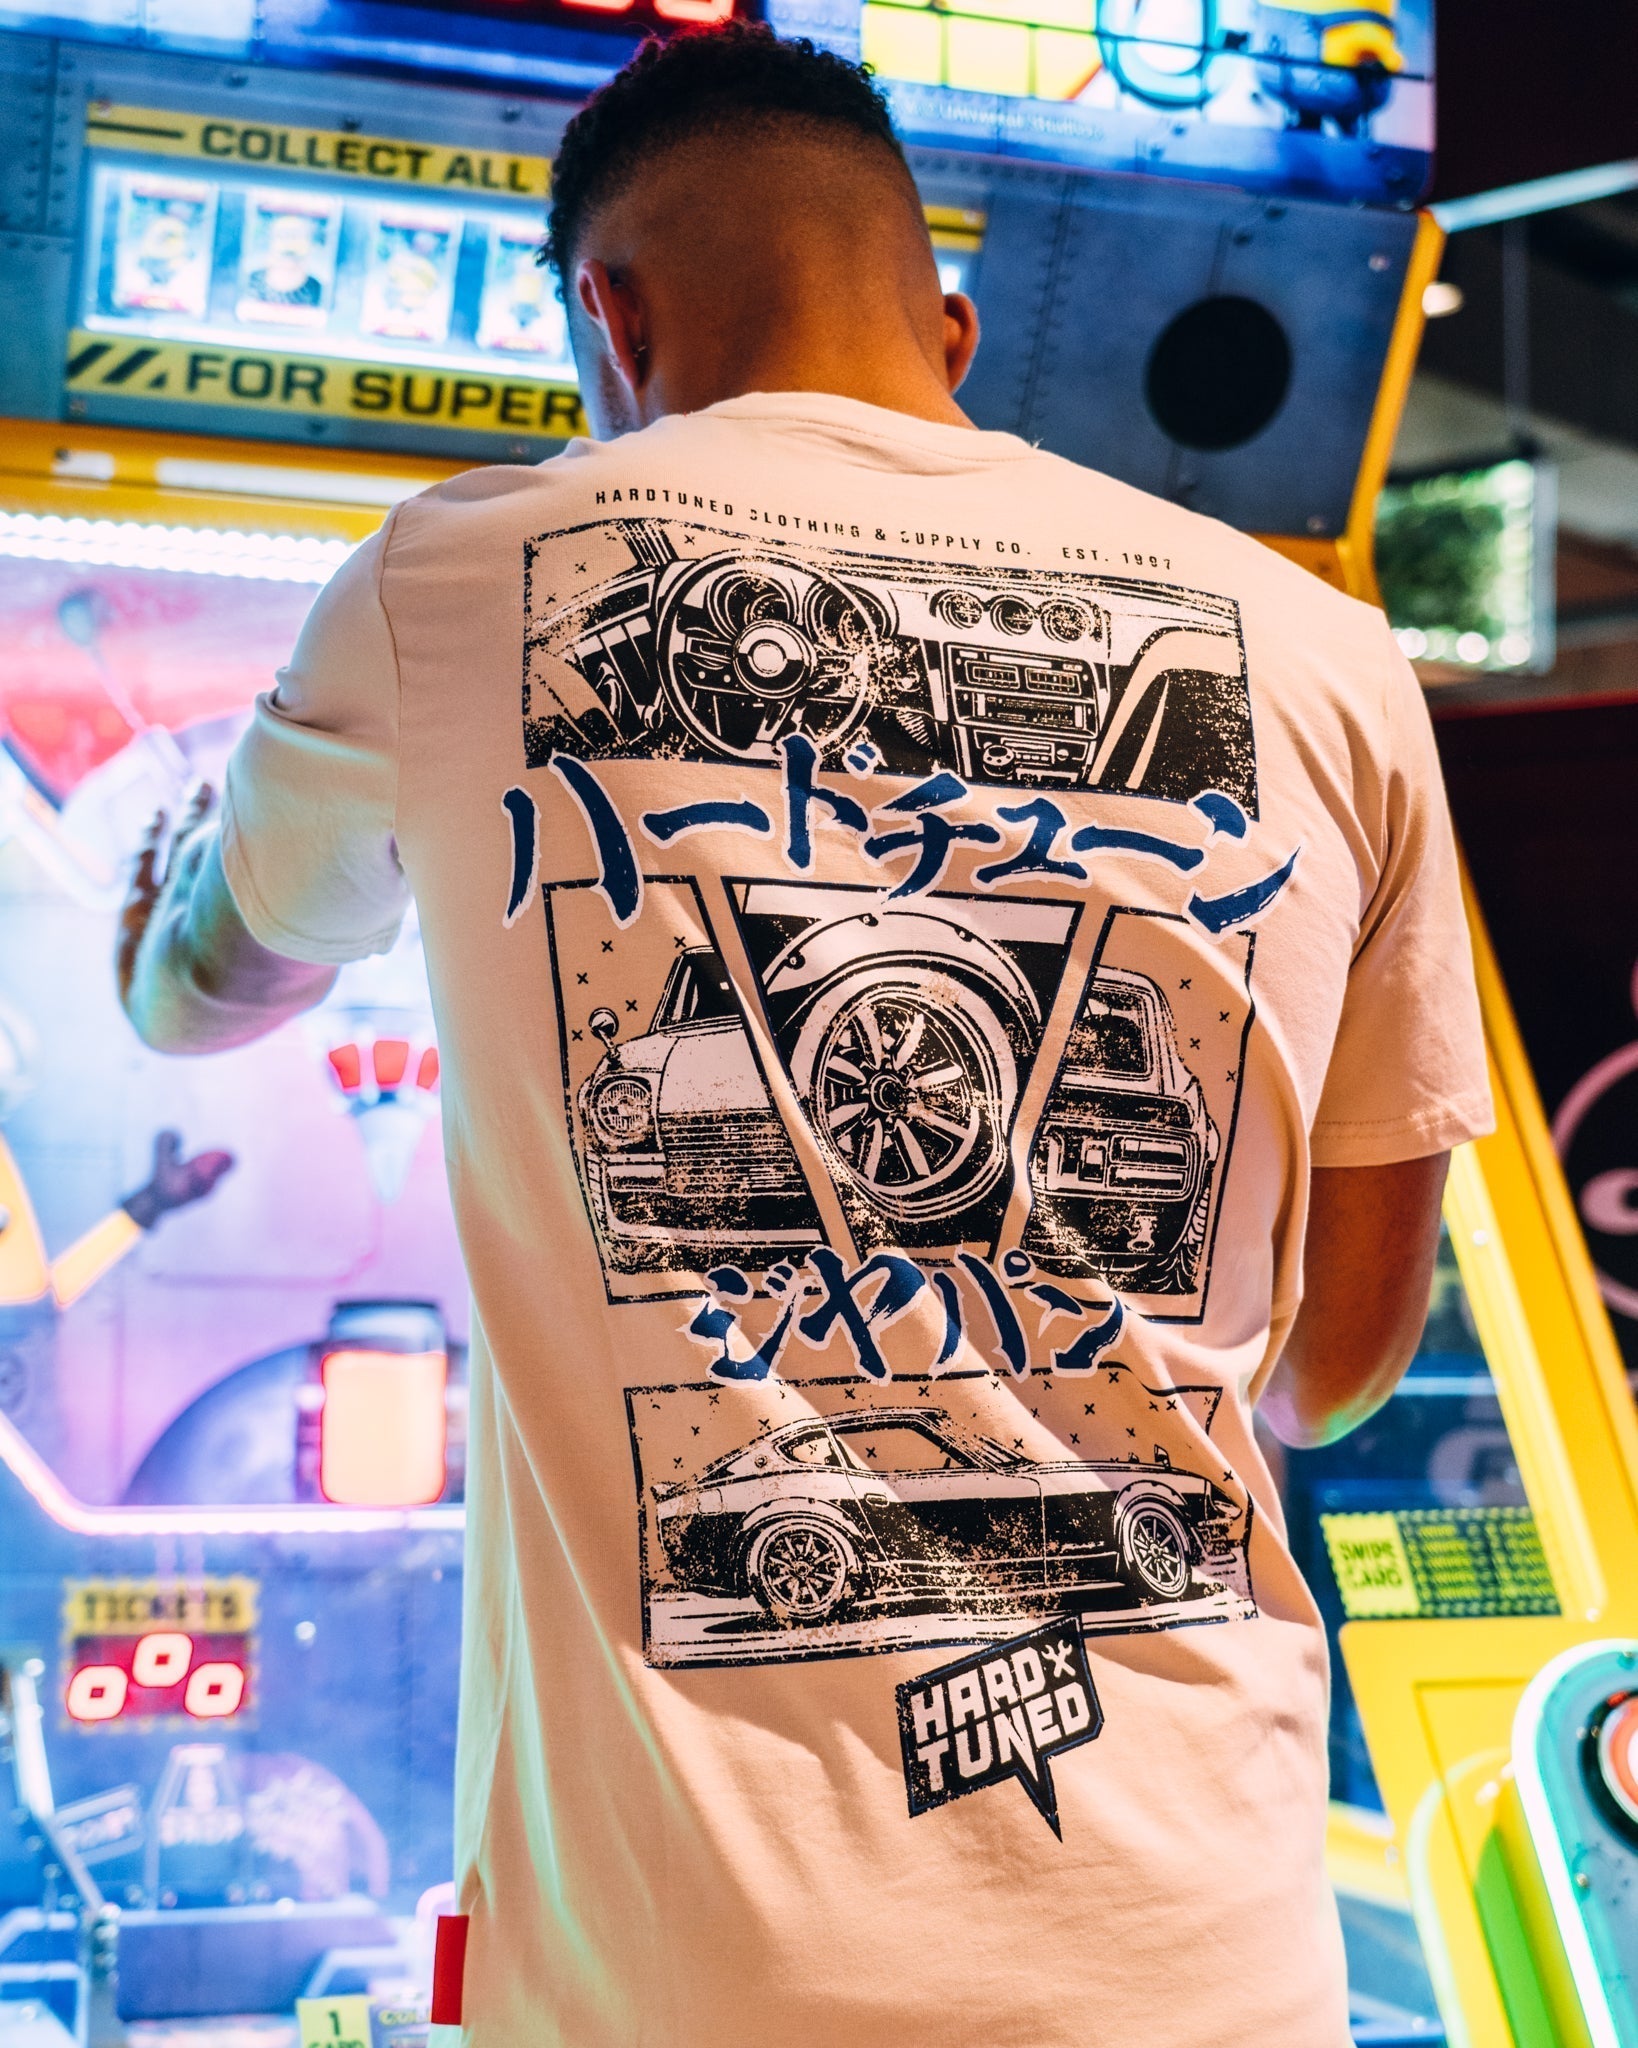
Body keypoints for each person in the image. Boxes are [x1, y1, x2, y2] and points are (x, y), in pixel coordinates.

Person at [116, 23, 1492, 2047]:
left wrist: (166, 900)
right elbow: (1339, 1368)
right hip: (1207, 1953)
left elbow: (209, 985)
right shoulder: (1324, 656)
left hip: (698, 1983)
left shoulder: (459, 579)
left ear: (610, 320)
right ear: (953, 332)